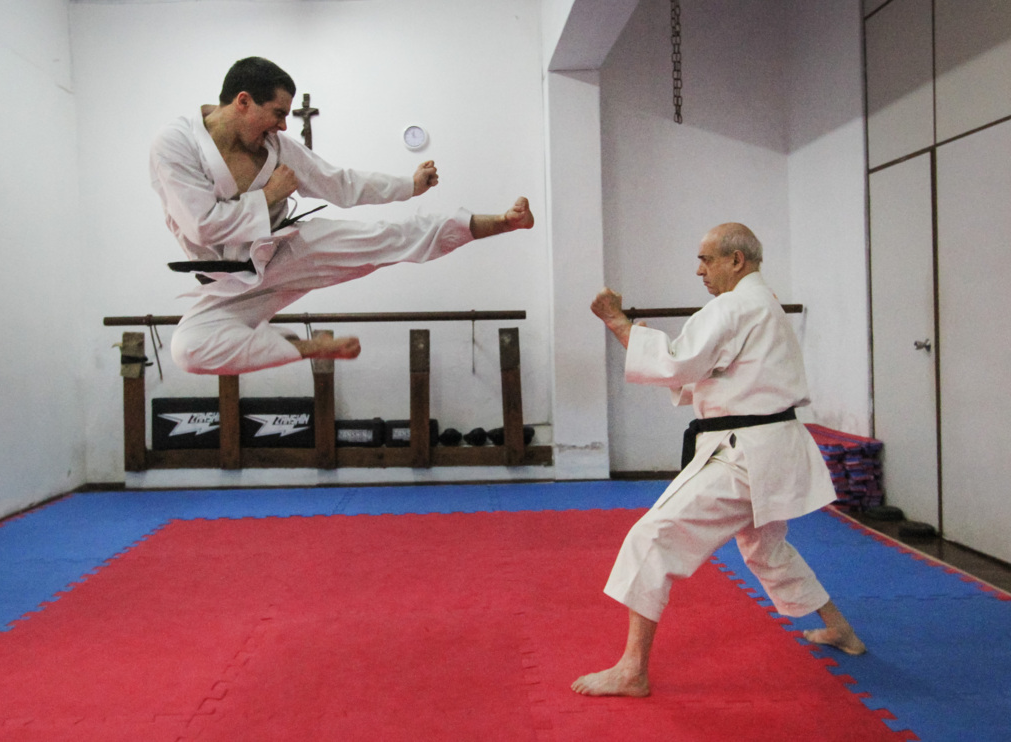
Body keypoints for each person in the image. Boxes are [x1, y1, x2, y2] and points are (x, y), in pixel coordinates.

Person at [573, 222, 865, 698]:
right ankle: (840, 629)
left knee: (651, 537)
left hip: (745, 455)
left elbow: (675, 363)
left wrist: (616, 321)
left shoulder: (734, 305)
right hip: (769, 448)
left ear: (737, 260)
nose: (699, 269)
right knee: (767, 550)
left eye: (707, 259)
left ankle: (632, 670)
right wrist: (641, 341)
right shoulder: (761, 303)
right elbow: (699, 370)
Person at [149, 57, 533, 375]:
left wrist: (409, 185)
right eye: (278, 113)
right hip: (228, 282)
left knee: (389, 238)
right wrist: (268, 195)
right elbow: (201, 225)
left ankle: (503, 222)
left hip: (285, 251)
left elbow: (340, 184)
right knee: (188, 350)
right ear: (244, 101)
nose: (284, 125)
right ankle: (302, 348)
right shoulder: (177, 144)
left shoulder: (276, 147)